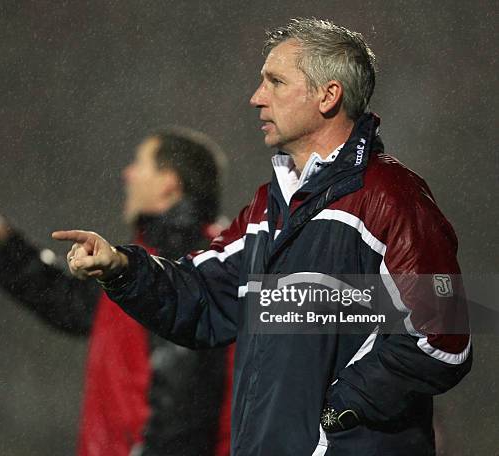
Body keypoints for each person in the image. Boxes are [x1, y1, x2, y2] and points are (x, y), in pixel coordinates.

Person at [53, 18, 472, 456]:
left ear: (328, 96)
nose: (256, 98)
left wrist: (336, 411)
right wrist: (122, 267)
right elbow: (204, 296)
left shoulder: (391, 197)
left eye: (275, 81)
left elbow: (441, 335)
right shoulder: (268, 207)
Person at [0, 127, 233, 456]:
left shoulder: (184, 264)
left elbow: (185, 405)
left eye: (140, 163)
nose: (128, 173)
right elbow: (72, 302)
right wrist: (1, 240)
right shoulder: (145, 263)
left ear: (169, 183)